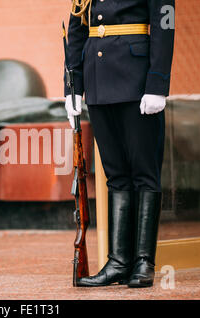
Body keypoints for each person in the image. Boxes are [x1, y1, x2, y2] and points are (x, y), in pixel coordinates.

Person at [64, 0, 175, 288]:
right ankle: (118, 263)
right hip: (97, 80)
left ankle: (143, 262)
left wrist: (157, 83)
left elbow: (165, 23)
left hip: (136, 79)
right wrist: (72, 85)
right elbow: (76, 27)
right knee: (115, 174)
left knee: (144, 172)